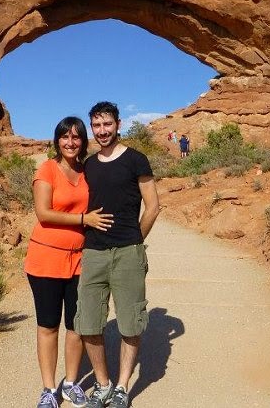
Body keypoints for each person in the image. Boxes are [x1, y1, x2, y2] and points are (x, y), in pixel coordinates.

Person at [75, 102, 161, 408]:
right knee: (88, 323)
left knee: (130, 322)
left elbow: (153, 205)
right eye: (96, 126)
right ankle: (103, 384)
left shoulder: (136, 160)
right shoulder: (88, 164)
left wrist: (136, 239)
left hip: (128, 252)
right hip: (94, 252)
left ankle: (123, 385)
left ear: (118, 124)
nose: (102, 131)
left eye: (107, 124)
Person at [25, 116, 114, 408]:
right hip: (46, 258)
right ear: (57, 140)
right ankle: (49, 389)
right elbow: (44, 213)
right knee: (48, 325)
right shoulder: (48, 169)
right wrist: (82, 219)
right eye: (65, 137)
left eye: (76, 137)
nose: (70, 142)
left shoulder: (86, 171)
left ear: (82, 141)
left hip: (79, 261)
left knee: (76, 325)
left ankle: (71, 383)